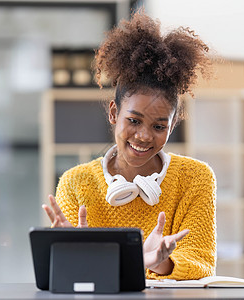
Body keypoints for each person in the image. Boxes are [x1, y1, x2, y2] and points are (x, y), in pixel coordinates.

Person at [42, 11, 216, 280]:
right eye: (134, 120)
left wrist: (160, 263)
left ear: (172, 126)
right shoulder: (75, 183)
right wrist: (70, 254)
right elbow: (69, 279)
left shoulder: (195, 178)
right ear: (114, 113)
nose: (145, 136)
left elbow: (202, 263)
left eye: (159, 126)